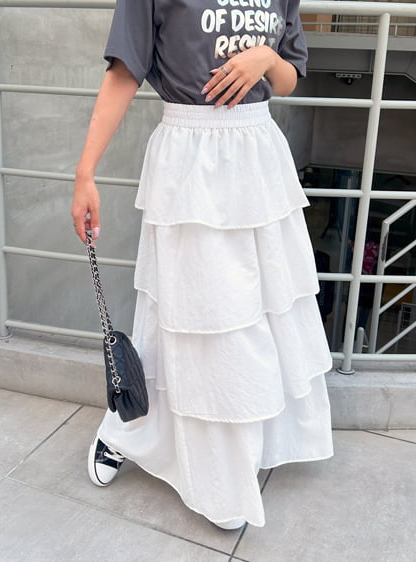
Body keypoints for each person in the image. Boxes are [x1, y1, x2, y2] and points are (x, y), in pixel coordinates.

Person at [71, 0, 333, 530]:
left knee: (256, 316)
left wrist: (266, 58)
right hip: (190, 156)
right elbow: (124, 71)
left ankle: (234, 449)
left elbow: (288, 79)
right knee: (193, 312)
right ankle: (140, 432)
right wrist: (85, 174)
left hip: (259, 156)